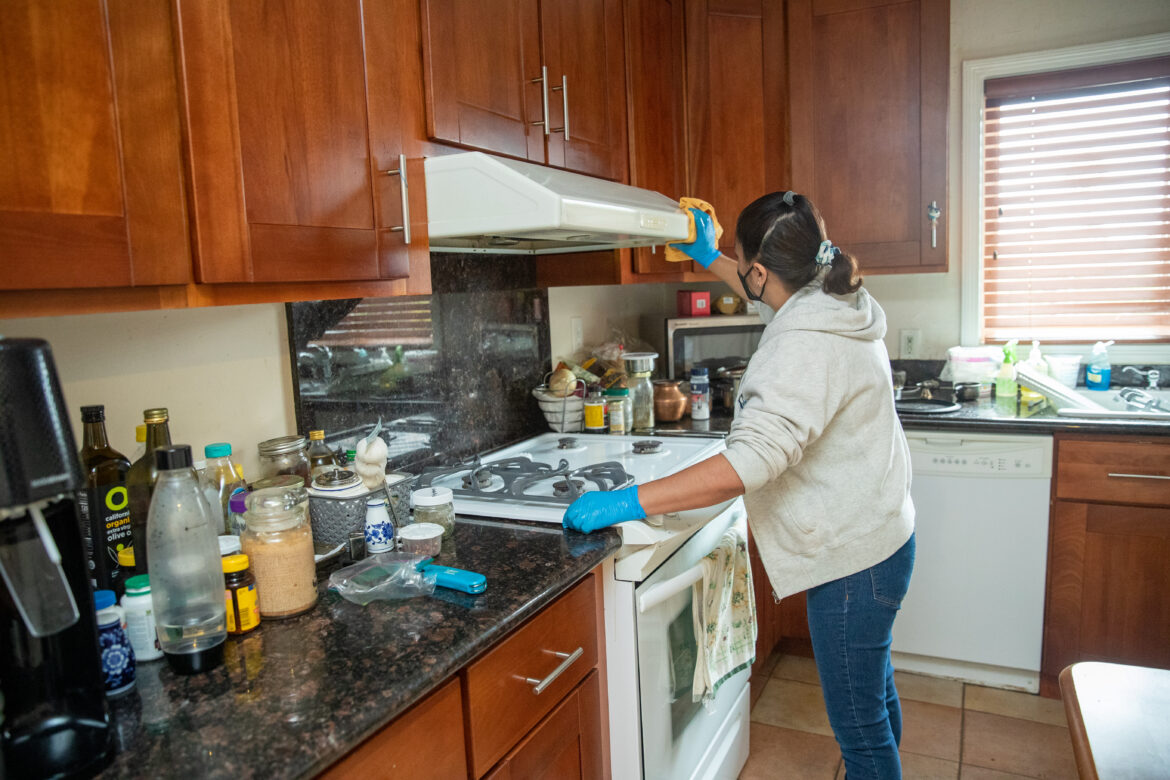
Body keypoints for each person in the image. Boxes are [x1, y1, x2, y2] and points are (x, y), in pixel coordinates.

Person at [563, 191, 916, 780]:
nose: (740, 273)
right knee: (874, 702)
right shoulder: (834, 298)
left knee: (861, 734)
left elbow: (750, 460)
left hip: (854, 565)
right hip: (881, 539)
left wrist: (627, 500)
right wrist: (709, 256)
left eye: (741, 263)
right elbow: (768, 293)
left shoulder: (804, 340)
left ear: (761, 272)